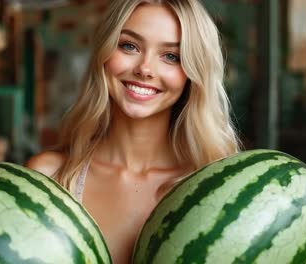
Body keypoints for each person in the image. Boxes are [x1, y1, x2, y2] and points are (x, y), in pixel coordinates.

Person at [26, 0, 241, 263]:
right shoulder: (49, 177)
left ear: (192, 74)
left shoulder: (217, 188)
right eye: (130, 46)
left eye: (171, 56)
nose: (145, 69)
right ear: (104, 54)